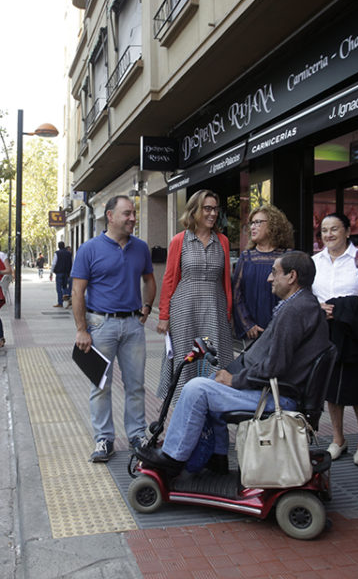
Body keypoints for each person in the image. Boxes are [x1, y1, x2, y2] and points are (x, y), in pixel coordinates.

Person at [136, 251, 331, 473]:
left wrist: (235, 380)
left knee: (196, 389)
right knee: (211, 380)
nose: (269, 278)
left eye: (274, 272)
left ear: (292, 276)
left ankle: (173, 456)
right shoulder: (303, 305)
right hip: (280, 391)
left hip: (279, 398)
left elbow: (274, 367)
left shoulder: (295, 311)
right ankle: (217, 456)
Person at [72, 195, 156, 463]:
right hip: (100, 325)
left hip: (133, 325)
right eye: (127, 213)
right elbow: (77, 291)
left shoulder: (140, 248)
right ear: (110, 216)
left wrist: (147, 306)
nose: (132, 218)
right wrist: (81, 329)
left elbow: (149, 280)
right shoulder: (89, 249)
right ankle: (104, 439)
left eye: (134, 213)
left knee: (136, 385)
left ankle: (137, 435)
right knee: (100, 385)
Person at [311, 212, 358, 466]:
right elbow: (307, 293)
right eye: (324, 230)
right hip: (326, 330)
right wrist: (320, 307)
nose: (328, 235)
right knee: (331, 387)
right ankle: (338, 438)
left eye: (334, 229)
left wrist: (341, 308)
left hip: (356, 329)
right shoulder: (315, 261)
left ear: (348, 231)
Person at [157, 189, 233, 403]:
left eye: (215, 209)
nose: (213, 214)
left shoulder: (223, 241)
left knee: (214, 358)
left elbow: (226, 281)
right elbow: (169, 279)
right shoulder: (179, 240)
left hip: (215, 309)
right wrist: (164, 316)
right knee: (186, 358)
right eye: (207, 208)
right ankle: (183, 408)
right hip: (184, 310)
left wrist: (228, 312)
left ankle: (213, 409)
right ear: (194, 210)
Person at [231, 204, 294, 342]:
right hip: (253, 332)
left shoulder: (288, 256)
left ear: (273, 225)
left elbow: (295, 294)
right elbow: (236, 294)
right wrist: (247, 324)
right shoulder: (246, 257)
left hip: (282, 331)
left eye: (258, 222)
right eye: (252, 223)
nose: (253, 227)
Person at [51, 241, 73, 308]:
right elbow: (71, 263)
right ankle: (68, 299)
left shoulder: (57, 253)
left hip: (59, 273)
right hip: (66, 273)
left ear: (58, 246)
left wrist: (51, 272)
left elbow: (54, 263)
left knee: (59, 288)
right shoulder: (69, 253)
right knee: (65, 287)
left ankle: (60, 303)